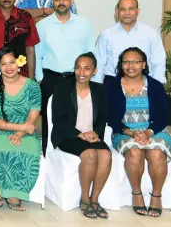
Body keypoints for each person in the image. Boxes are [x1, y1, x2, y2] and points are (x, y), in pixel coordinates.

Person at [106, 47, 171, 217]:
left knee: (156, 153)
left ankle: (156, 196)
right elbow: (109, 115)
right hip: (124, 131)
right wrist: (129, 132)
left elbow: (163, 115)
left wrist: (149, 132)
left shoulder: (155, 85)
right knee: (134, 151)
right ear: (121, 65)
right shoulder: (112, 86)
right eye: (126, 62)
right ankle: (137, 194)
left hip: (155, 130)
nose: (131, 66)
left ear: (143, 64)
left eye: (136, 62)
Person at [51, 52, 111, 219]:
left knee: (106, 155)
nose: (81, 72)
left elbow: (102, 118)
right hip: (68, 135)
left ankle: (95, 199)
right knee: (90, 155)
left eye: (86, 68)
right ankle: (84, 198)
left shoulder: (100, 89)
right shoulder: (63, 88)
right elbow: (58, 120)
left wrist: (96, 133)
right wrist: (80, 134)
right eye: (78, 68)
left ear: (94, 71)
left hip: (91, 134)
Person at [0, 47, 41, 211]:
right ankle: (12, 194)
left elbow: (33, 117)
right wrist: (20, 128)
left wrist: (20, 133)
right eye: (3, 64)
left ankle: (1, 190)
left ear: (19, 63)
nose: (9, 67)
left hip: (26, 133)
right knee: (8, 149)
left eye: (12, 62)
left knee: (31, 151)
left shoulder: (32, 86)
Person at [36, 0, 95, 155]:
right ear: (53, 2)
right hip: (50, 79)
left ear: (72, 1)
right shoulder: (42, 25)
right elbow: (38, 54)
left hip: (77, 79)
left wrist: (88, 78)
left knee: (74, 118)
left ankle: (73, 152)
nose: (61, 2)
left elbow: (90, 52)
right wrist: (41, 79)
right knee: (49, 119)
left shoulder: (84, 24)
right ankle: (47, 153)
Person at [95, 0, 166, 84]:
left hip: (144, 82)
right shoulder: (106, 34)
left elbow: (158, 61)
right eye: (123, 9)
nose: (127, 13)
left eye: (131, 9)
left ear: (138, 11)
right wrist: (96, 86)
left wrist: (158, 85)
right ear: (117, 12)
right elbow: (99, 62)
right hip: (113, 82)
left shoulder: (151, 33)